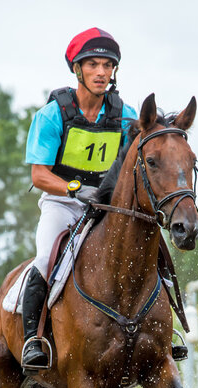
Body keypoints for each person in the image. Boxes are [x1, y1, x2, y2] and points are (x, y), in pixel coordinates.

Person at [22, 27, 138, 369]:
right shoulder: (51, 115)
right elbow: (39, 176)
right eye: (94, 65)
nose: (102, 72)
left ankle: (164, 329)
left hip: (106, 205)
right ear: (78, 70)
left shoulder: (126, 115)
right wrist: (74, 190)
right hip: (62, 203)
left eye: (108, 65)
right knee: (45, 258)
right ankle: (33, 340)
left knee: (147, 246)